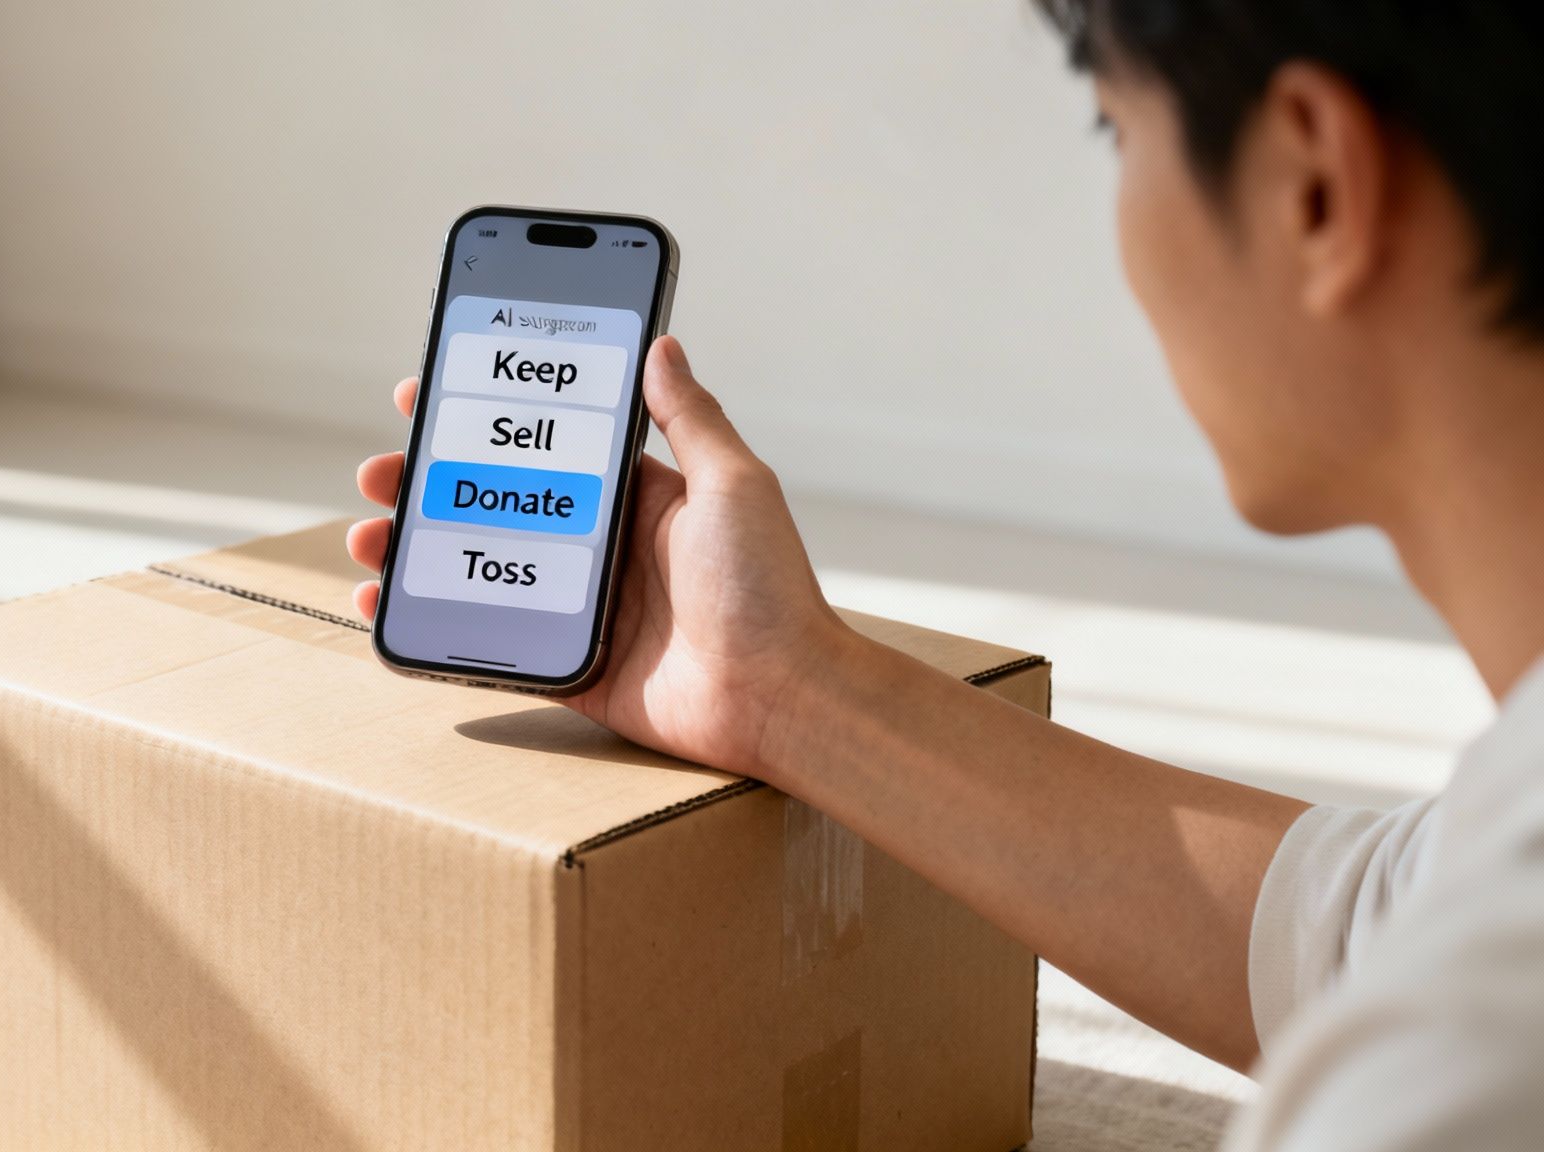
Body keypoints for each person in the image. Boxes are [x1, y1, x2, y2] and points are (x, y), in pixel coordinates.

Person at [347, 2, 1544, 1146]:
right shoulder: (1491, 912)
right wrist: (784, 688)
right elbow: (1378, 929)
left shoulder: (1468, 1066)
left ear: (1314, 186)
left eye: (1115, 130)